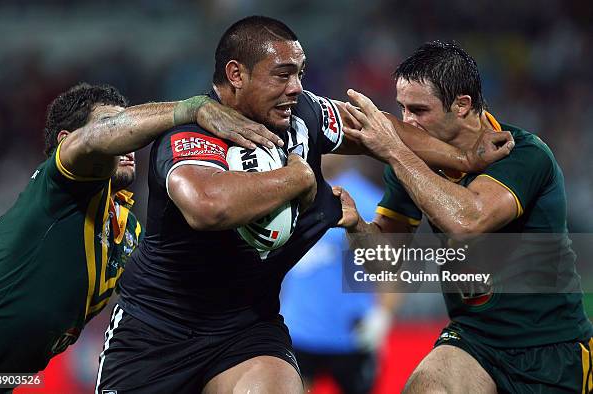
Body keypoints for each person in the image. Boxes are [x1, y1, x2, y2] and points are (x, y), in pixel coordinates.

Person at [95, 18, 512, 394]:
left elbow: (377, 131)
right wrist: (297, 178)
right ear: (236, 75)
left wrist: (461, 157)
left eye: (300, 73)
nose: (296, 86)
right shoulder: (190, 135)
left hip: (248, 328)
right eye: (282, 74)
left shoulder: (303, 114)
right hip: (156, 332)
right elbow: (208, 206)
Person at [336, 41, 593, 393]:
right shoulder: (409, 164)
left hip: (550, 346)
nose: (406, 122)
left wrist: (394, 151)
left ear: (461, 105)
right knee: (426, 387)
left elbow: (467, 220)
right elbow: (386, 265)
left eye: (419, 110)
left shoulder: (523, 154)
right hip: (473, 337)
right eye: (402, 109)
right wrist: (356, 227)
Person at [0, 82, 278, 381]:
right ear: (66, 141)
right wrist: (193, 108)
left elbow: (169, 290)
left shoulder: (127, 229)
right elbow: (91, 142)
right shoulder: (56, 189)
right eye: (114, 126)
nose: (131, 144)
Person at [281, 155, 399, 394]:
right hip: (297, 330)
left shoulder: (366, 200)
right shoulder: (289, 195)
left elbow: (391, 267)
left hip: (351, 334)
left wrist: (382, 315)